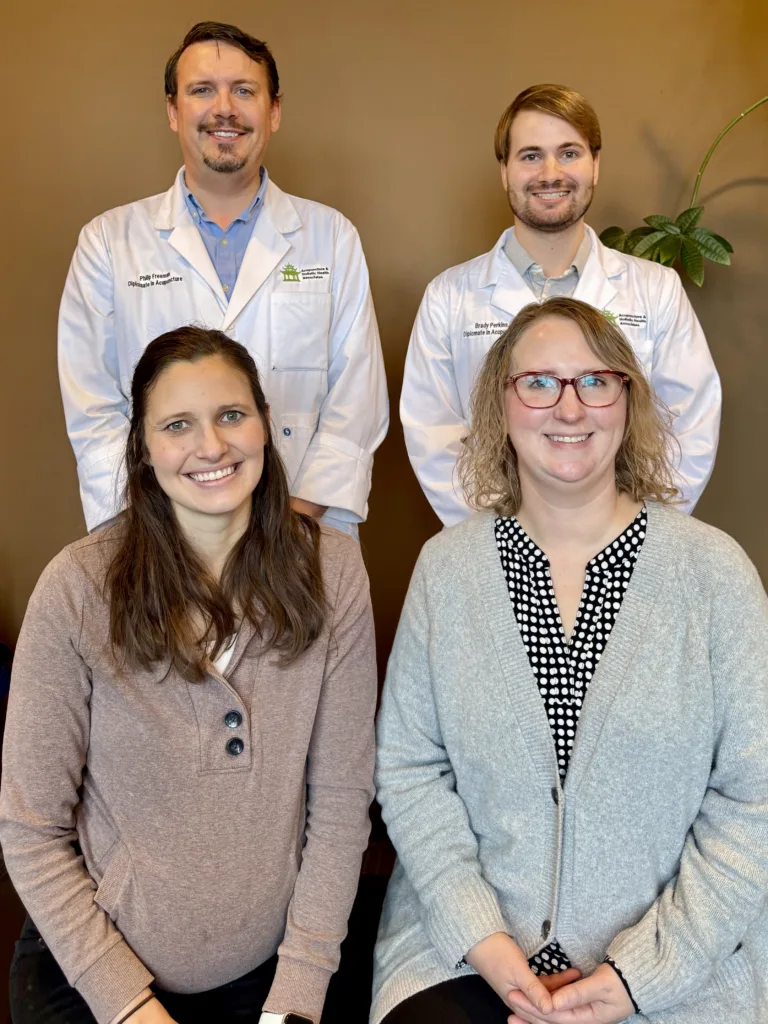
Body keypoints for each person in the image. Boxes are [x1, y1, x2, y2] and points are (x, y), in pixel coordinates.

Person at [372, 297, 768, 1024]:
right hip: (467, 954)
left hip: (677, 967)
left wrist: (639, 976)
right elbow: (409, 770)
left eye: (595, 381)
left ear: (628, 398)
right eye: (539, 382)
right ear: (501, 402)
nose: (569, 407)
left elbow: (755, 800)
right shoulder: (446, 573)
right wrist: (484, 941)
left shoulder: (715, 576)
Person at [0, 327, 377, 1024]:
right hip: (95, 974)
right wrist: (130, 1007)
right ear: (143, 449)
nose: (211, 446)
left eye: (232, 415)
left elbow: (341, 804)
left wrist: (295, 998)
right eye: (179, 425)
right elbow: (29, 830)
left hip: (274, 971)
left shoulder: (334, 572)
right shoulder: (76, 588)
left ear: (265, 423)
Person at [59, 20, 388, 538]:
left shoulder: (331, 237)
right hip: (162, 542)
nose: (224, 109)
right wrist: (153, 531)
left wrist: (293, 522)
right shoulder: (108, 242)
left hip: (301, 530)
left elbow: (357, 398)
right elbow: (93, 410)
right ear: (173, 111)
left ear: (273, 110)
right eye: (202, 91)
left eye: (243, 90)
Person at [400, 84, 721, 527]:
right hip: (493, 546)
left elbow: (690, 426)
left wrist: (631, 532)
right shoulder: (448, 297)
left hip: (629, 545)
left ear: (595, 165)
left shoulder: (656, 290)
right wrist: (506, 536)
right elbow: (433, 436)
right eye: (530, 155)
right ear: (505, 171)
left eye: (569, 153)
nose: (550, 172)